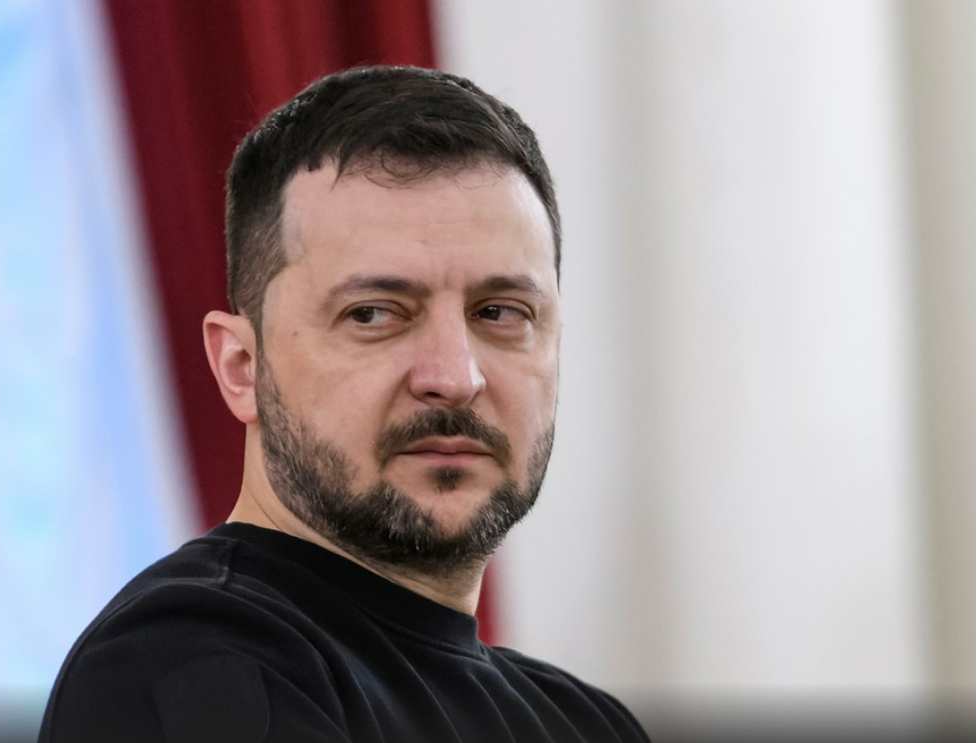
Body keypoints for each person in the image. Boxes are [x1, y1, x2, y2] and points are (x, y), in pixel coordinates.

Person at [40, 65, 648, 743]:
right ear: (241, 368)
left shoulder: (589, 723)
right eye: (373, 313)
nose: (455, 377)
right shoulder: (187, 661)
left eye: (499, 312)